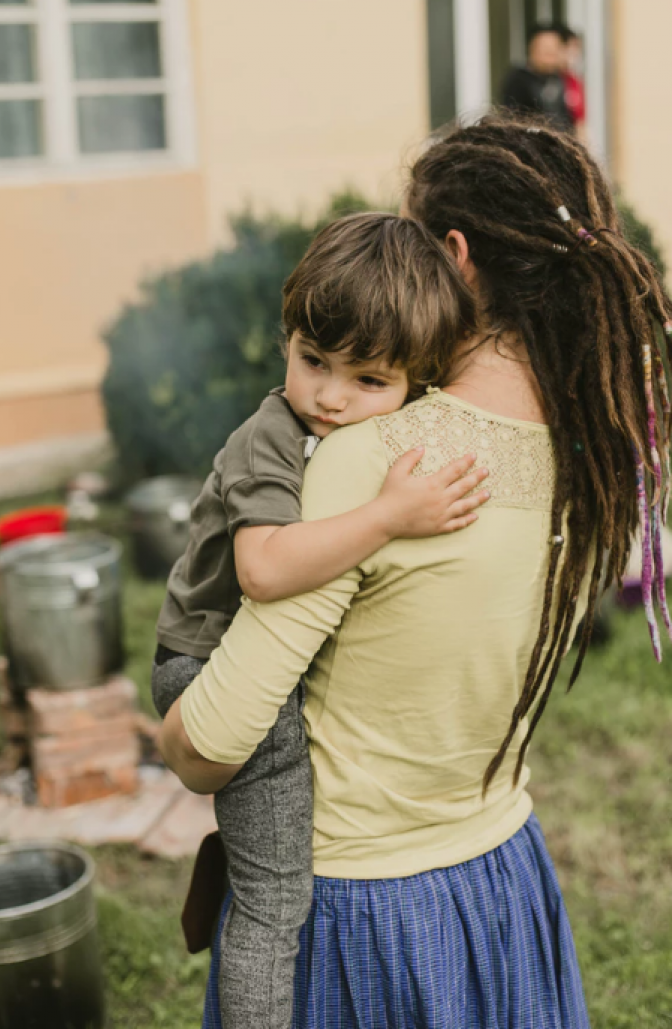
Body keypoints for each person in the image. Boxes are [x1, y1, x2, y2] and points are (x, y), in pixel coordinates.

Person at [160, 113, 672, 1028]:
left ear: (456, 259)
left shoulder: (376, 459)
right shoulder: (590, 455)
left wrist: (169, 731)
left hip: (359, 914)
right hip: (503, 878)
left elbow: (212, 744)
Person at [152, 211, 491, 1029]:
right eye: (313, 361)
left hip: (271, 663)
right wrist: (390, 516)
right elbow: (264, 569)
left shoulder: (389, 422)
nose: (331, 396)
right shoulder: (270, 438)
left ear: (417, 378)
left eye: (367, 379)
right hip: (210, 661)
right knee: (274, 898)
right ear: (288, 342)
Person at [502, 23, 574, 132]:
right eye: (546, 49)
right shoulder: (519, 81)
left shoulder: (559, 80)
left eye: (555, 49)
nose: (551, 55)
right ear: (532, 49)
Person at [559, 24, 587, 139]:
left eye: (577, 48)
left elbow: (580, 123)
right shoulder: (541, 82)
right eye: (571, 48)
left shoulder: (574, 81)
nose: (575, 54)